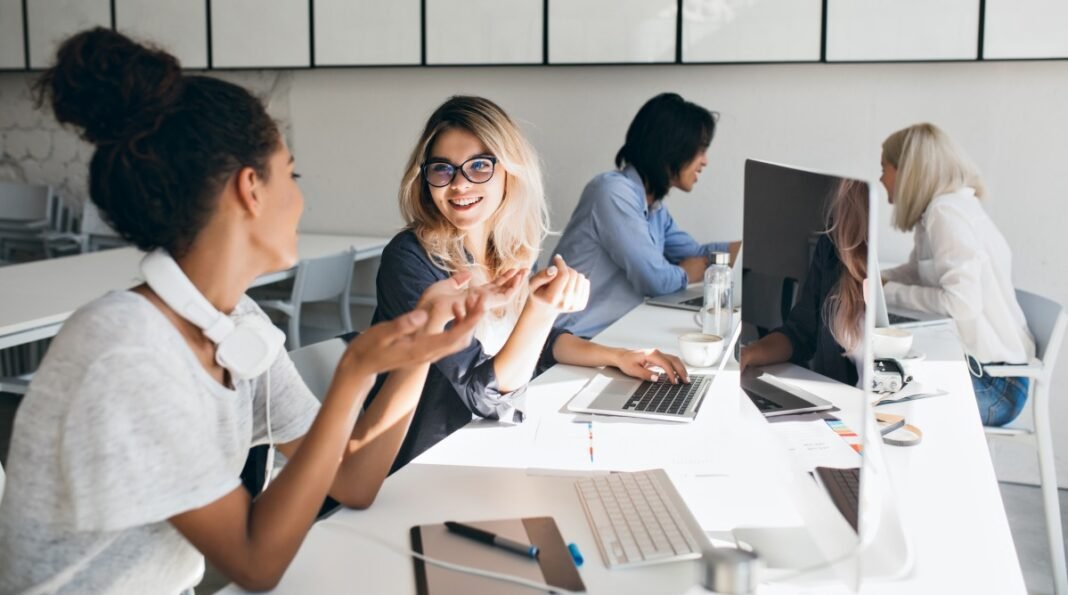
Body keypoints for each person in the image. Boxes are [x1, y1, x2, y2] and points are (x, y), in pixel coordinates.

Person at [0, 28, 488, 593]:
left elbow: (353, 480)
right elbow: (256, 563)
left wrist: (421, 349)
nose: (300, 199)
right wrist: (354, 373)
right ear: (250, 188)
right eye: (291, 174)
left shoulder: (237, 324)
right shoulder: (127, 352)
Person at [367, 95, 691, 470]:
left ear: (510, 171)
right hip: (423, 462)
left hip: (488, 447)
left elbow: (541, 343)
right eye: (442, 169)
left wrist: (618, 356)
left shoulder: (510, 250)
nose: (459, 185)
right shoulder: (410, 260)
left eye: (479, 166)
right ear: (425, 179)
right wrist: (540, 310)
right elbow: (483, 395)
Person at [879, 123, 1035, 426]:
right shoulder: (941, 211)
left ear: (907, 172)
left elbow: (961, 303)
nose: (881, 178)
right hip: (989, 375)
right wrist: (876, 279)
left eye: (884, 168)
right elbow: (918, 272)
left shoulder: (945, 213)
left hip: (995, 385)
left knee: (879, 391)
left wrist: (885, 291)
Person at [552, 93, 741, 338]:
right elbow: (656, 280)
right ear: (671, 147)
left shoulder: (654, 208)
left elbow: (696, 254)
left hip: (612, 334)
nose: (705, 161)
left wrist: (755, 248)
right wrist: (688, 272)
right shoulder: (612, 192)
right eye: (700, 150)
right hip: (574, 337)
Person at [739, 179, 869, 386]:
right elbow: (800, 333)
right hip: (836, 401)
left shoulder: (902, 272)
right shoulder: (832, 247)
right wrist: (747, 354)